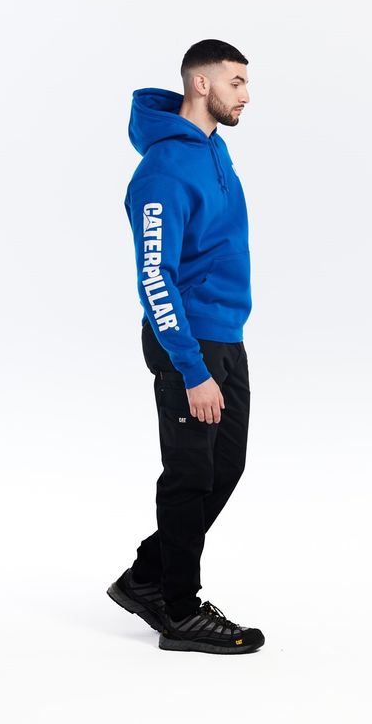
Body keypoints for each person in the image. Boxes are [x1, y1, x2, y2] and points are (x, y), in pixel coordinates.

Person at [106, 39, 264, 654]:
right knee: (190, 475)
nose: (246, 94)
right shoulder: (162, 171)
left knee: (225, 468)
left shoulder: (214, 148)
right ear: (201, 84)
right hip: (188, 342)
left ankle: (147, 576)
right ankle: (178, 609)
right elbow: (155, 276)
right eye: (235, 82)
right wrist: (192, 369)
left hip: (226, 335)